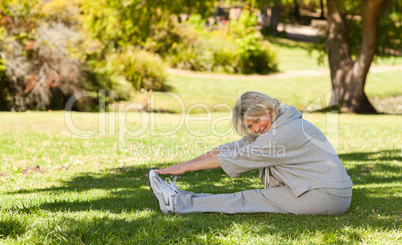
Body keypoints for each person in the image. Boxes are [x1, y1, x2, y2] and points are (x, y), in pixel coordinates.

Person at [148, 91, 353, 215]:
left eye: (257, 119)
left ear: (267, 108)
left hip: (327, 195)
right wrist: (183, 164)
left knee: (247, 199)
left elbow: (239, 157)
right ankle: (181, 198)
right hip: (317, 188)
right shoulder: (281, 119)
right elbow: (233, 148)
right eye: (249, 125)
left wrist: (185, 168)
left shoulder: (285, 132)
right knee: (248, 197)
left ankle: (175, 203)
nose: (255, 128)